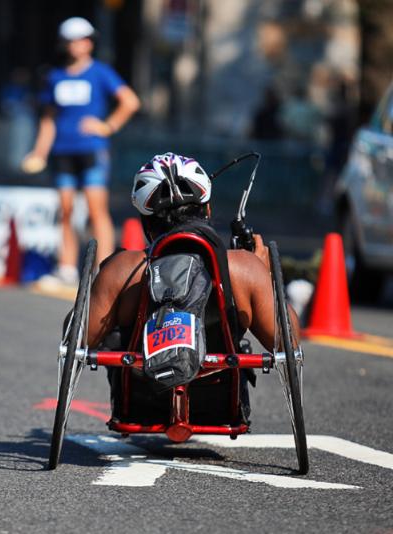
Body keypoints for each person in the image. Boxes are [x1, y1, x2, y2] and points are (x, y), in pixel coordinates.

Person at [85, 153, 300, 420]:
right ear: (207, 209)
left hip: (143, 409)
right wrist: (263, 272)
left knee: (112, 334)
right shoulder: (244, 268)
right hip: (219, 408)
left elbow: (77, 339)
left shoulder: (124, 269)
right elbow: (288, 342)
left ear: (145, 220)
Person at [22, 17, 140, 286]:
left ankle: (106, 269)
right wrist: (39, 152)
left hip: (91, 151)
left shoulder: (100, 72)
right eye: (72, 40)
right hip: (63, 152)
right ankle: (66, 267)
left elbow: (130, 101)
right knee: (65, 210)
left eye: (82, 39)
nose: (77, 45)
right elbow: (48, 119)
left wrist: (108, 126)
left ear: (90, 43)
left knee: (96, 210)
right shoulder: (55, 76)